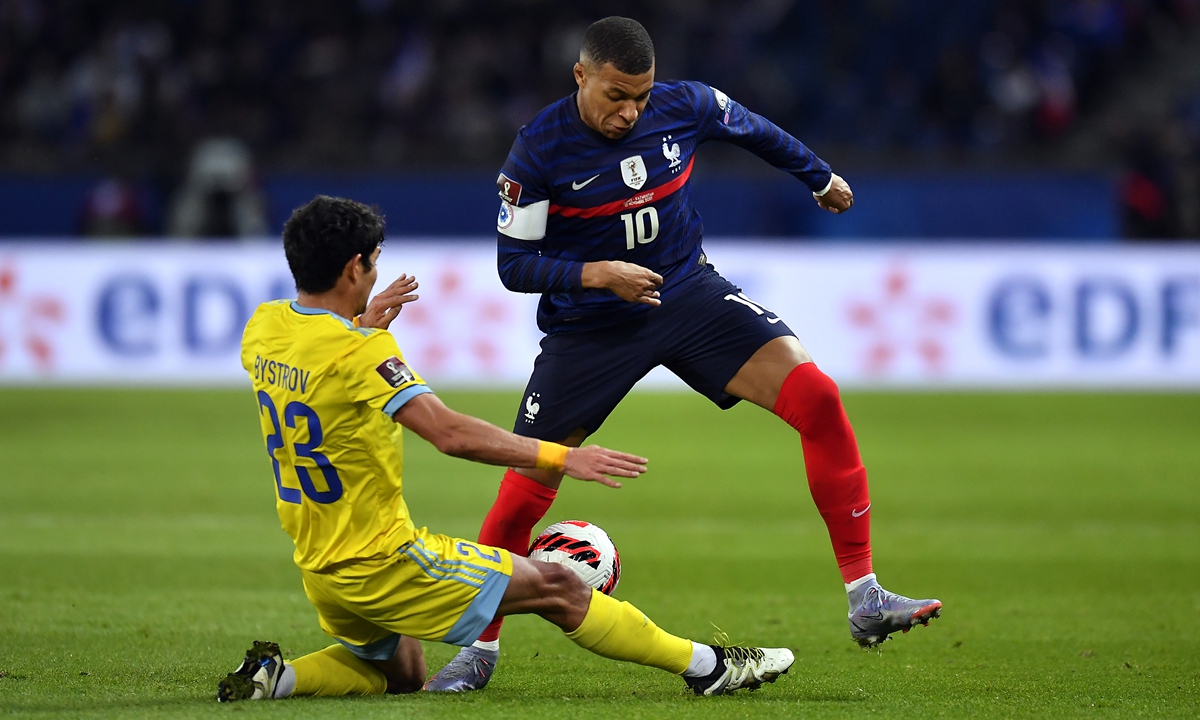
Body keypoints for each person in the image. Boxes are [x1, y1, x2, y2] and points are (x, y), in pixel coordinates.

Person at [425, 17, 941, 693]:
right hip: (590, 331)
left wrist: (819, 178)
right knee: (526, 486)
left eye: (639, 95)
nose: (629, 111)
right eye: (616, 95)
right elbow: (514, 265)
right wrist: (597, 275)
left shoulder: (683, 104)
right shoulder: (537, 151)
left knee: (818, 397)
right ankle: (478, 652)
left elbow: (754, 128)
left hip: (687, 294)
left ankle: (866, 598)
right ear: (581, 76)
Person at [217, 195, 795, 703]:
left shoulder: (263, 329)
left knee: (400, 673)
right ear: (354, 266)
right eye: (372, 262)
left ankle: (278, 677)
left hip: (318, 561)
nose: (375, 273)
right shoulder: (360, 354)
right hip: (380, 559)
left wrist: (361, 324)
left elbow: (317, 360)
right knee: (560, 588)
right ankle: (709, 668)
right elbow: (449, 434)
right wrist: (562, 457)